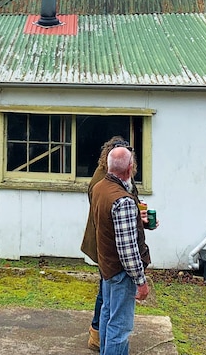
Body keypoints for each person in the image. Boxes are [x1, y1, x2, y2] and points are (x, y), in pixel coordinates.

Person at [90, 145, 150, 355]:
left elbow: (108, 227)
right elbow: (128, 251)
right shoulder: (123, 200)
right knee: (120, 327)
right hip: (120, 272)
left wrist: (138, 221)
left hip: (107, 266)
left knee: (107, 316)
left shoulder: (99, 187)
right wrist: (141, 281)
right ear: (130, 168)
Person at [81, 136, 138, 351]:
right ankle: (96, 334)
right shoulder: (103, 180)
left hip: (107, 245)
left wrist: (135, 216)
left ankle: (99, 337)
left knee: (107, 300)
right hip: (108, 247)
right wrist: (140, 279)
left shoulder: (113, 180)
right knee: (110, 304)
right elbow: (108, 212)